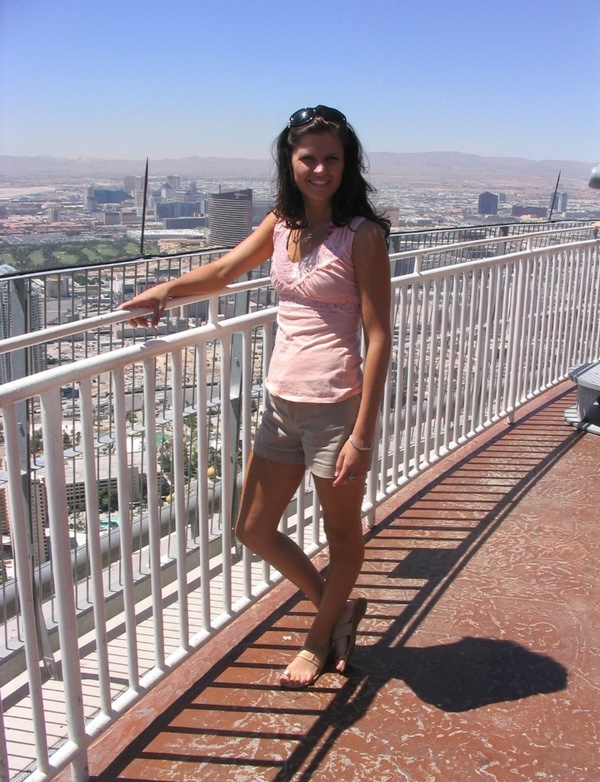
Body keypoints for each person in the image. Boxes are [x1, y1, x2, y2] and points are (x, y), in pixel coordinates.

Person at [119, 105, 392, 689]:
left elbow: (378, 337)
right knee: (253, 527)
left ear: (348, 163)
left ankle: (318, 640)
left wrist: (362, 436)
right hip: (280, 402)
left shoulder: (362, 236)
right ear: (289, 161)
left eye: (332, 158)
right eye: (309, 158)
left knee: (342, 535)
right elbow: (224, 271)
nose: (320, 169)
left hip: (336, 407)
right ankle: (337, 608)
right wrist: (164, 291)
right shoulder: (281, 223)